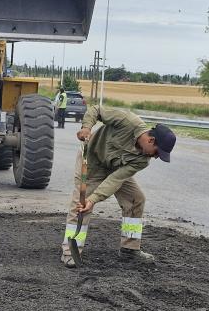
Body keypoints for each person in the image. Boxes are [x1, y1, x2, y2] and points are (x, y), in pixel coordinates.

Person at [60, 105, 176, 267]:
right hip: (92, 162)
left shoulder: (143, 160)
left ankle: (130, 249)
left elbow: (115, 179)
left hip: (115, 170)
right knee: (81, 204)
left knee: (136, 199)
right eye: (157, 152)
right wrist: (86, 127)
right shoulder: (128, 121)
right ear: (151, 140)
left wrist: (94, 199)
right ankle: (70, 252)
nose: (156, 157)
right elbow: (96, 110)